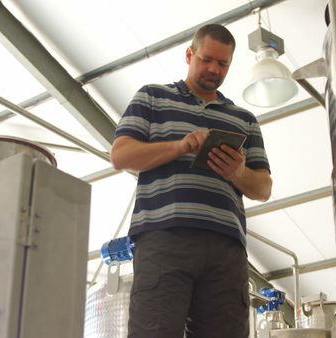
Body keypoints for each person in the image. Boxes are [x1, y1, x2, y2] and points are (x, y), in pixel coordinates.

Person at [110, 23, 272, 338]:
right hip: (164, 238)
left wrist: (237, 172)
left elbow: (264, 188)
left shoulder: (245, 120)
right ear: (189, 54)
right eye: (206, 59)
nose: (214, 69)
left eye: (223, 63)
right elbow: (121, 155)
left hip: (227, 249)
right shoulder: (152, 97)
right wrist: (181, 145)